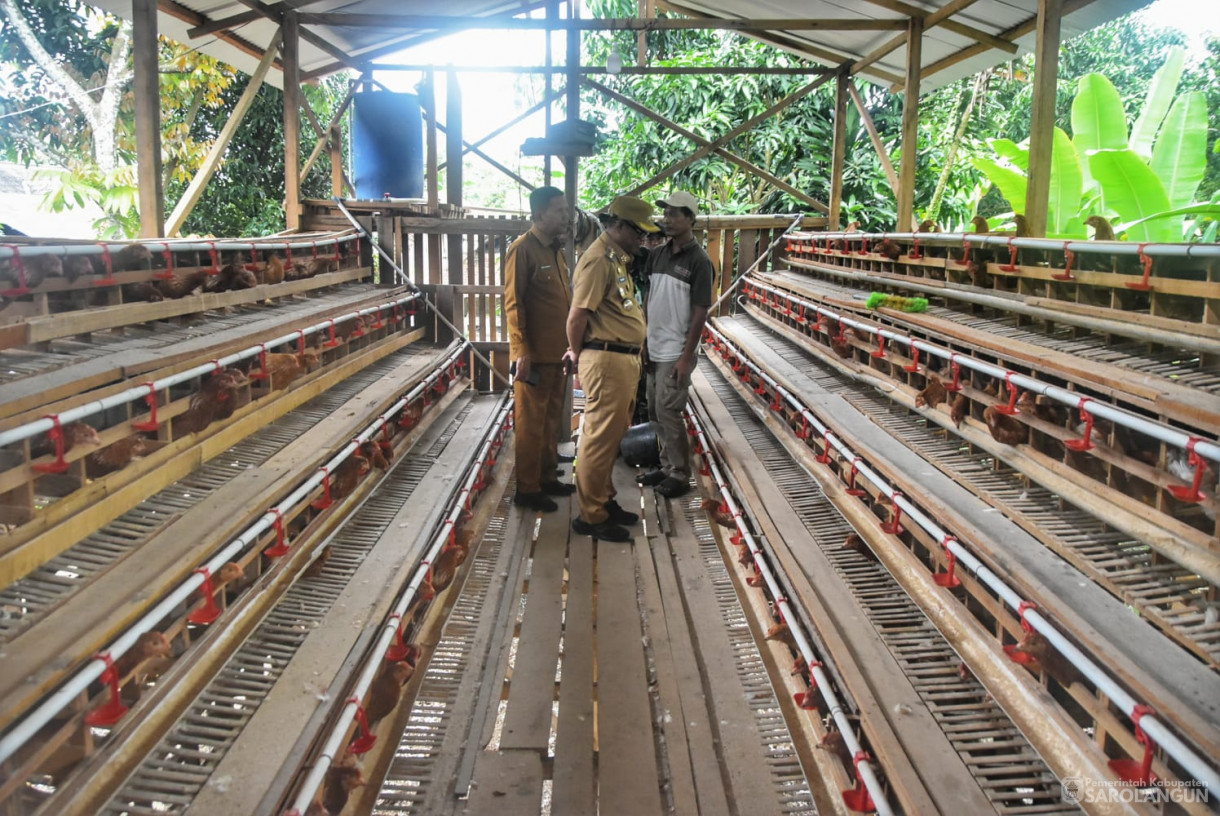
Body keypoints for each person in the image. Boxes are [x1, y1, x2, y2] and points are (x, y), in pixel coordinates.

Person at [565, 195, 660, 542]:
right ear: (618, 226)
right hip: (606, 359)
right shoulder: (597, 262)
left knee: (609, 437)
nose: (642, 239)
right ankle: (591, 516)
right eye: (637, 232)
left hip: (620, 359)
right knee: (597, 438)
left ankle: (602, 501)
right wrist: (577, 356)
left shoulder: (615, 260)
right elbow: (577, 317)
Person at [637, 191, 714, 499]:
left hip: (676, 350)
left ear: (691, 219)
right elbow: (649, 299)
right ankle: (666, 465)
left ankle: (680, 474)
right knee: (654, 411)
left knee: (670, 412)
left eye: (674, 214)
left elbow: (699, 314)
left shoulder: (699, 261)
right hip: (654, 345)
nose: (667, 219)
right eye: (666, 213)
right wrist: (643, 339)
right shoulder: (658, 255)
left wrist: (686, 358)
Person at [504, 186, 576, 512]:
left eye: (566, 210)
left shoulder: (556, 251)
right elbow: (513, 304)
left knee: (550, 421)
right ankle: (527, 488)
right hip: (533, 357)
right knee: (531, 424)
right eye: (559, 210)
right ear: (538, 215)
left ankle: (547, 477)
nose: (566, 216)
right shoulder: (523, 250)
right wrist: (521, 351)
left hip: (557, 354)